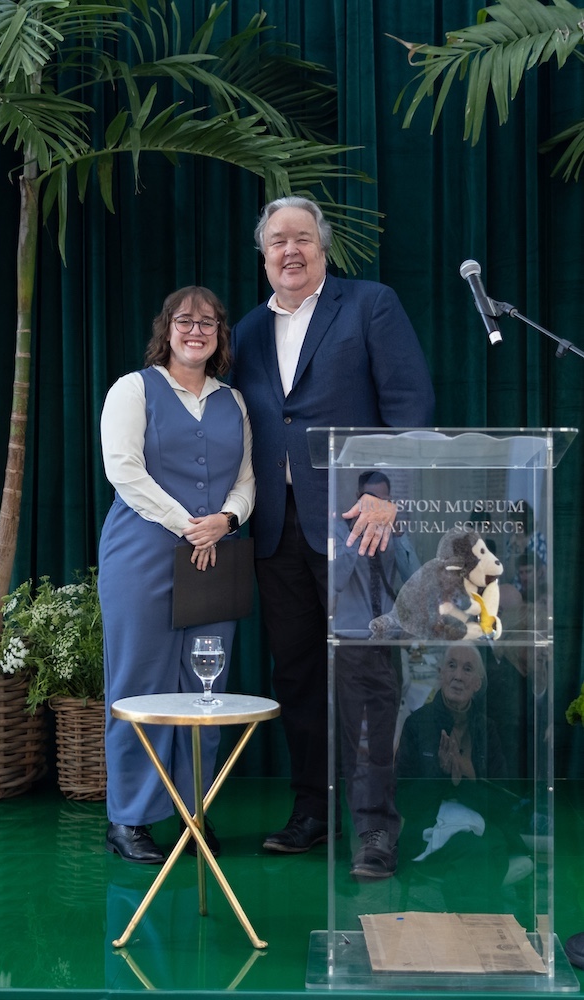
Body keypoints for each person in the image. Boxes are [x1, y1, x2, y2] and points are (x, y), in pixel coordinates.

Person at [230, 195, 435, 876]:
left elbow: (408, 403)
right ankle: (311, 813)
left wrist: (382, 490)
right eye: (277, 242)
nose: (290, 252)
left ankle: (374, 829)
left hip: (355, 526)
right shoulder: (249, 330)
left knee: (365, 676)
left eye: (302, 239)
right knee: (295, 674)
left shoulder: (369, 303)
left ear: (322, 248)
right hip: (276, 530)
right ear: (263, 256)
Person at [98, 286, 255, 864]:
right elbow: (124, 469)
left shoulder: (232, 402)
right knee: (139, 684)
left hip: (215, 553)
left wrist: (227, 518)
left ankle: (194, 813)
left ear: (220, 335)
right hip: (141, 554)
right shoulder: (133, 389)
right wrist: (189, 523)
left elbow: (247, 477)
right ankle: (129, 820)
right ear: (166, 330)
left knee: (204, 689)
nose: (196, 330)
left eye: (208, 322)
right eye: (185, 321)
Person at [333, 471, 419, 878]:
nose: (376, 511)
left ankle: (382, 834)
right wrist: (356, 535)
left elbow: (417, 582)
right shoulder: (339, 530)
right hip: (348, 648)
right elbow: (331, 582)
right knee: (356, 747)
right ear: (358, 499)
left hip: (386, 648)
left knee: (383, 744)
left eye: (383, 503)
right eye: (371, 501)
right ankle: (364, 832)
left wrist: (395, 534)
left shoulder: (395, 532)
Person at [395, 644, 531, 889]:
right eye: (451, 666)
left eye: (467, 669)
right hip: (428, 829)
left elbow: (503, 804)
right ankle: (479, 924)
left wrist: (467, 779)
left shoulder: (486, 729)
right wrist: (441, 776)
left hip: (482, 827)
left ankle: (473, 923)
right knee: (479, 853)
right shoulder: (417, 725)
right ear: (441, 674)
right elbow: (405, 803)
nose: (457, 675)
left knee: (486, 848)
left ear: (477, 683)